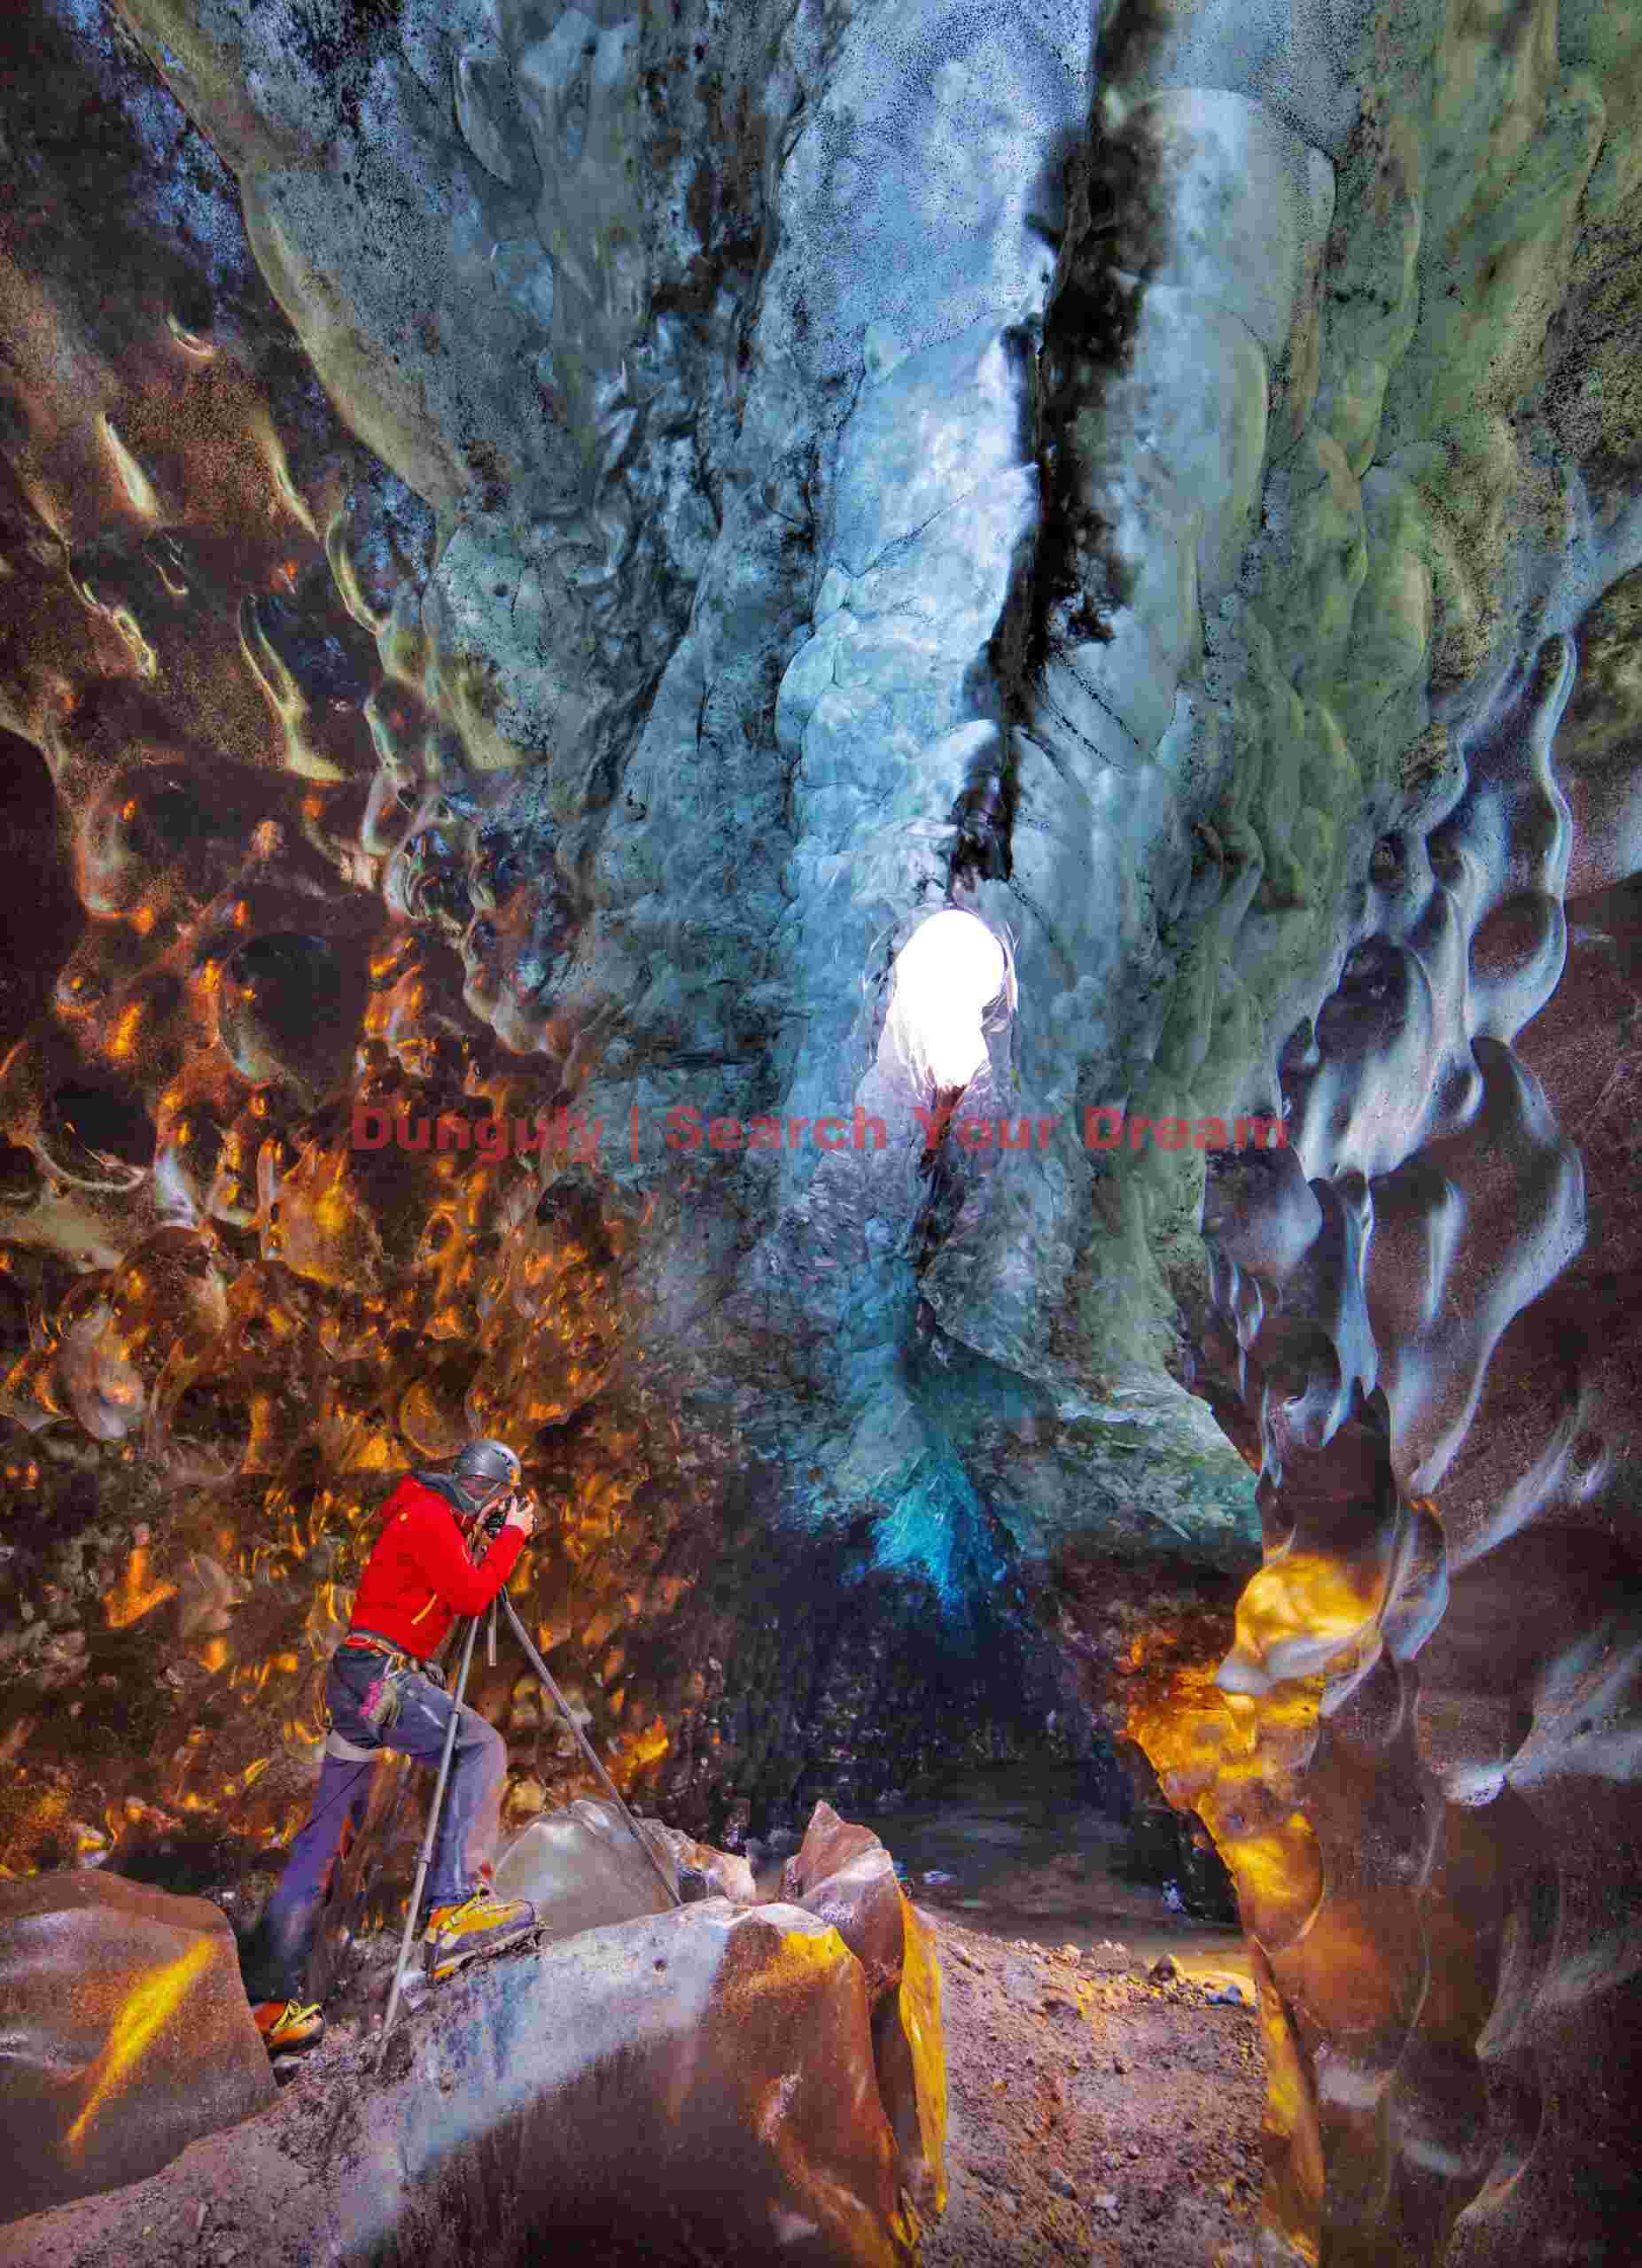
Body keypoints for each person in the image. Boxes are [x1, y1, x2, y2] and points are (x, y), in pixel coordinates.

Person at [243, 1438, 541, 2054]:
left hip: (360, 1680)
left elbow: (440, 1594)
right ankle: (452, 1906)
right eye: (502, 1499)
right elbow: (470, 1597)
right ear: (490, 1489)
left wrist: (485, 1537)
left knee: (323, 1844)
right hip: (380, 1676)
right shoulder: (428, 1516)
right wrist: (510, 1537)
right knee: (477, 1747)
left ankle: (267, 2004)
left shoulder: (426, 1516)